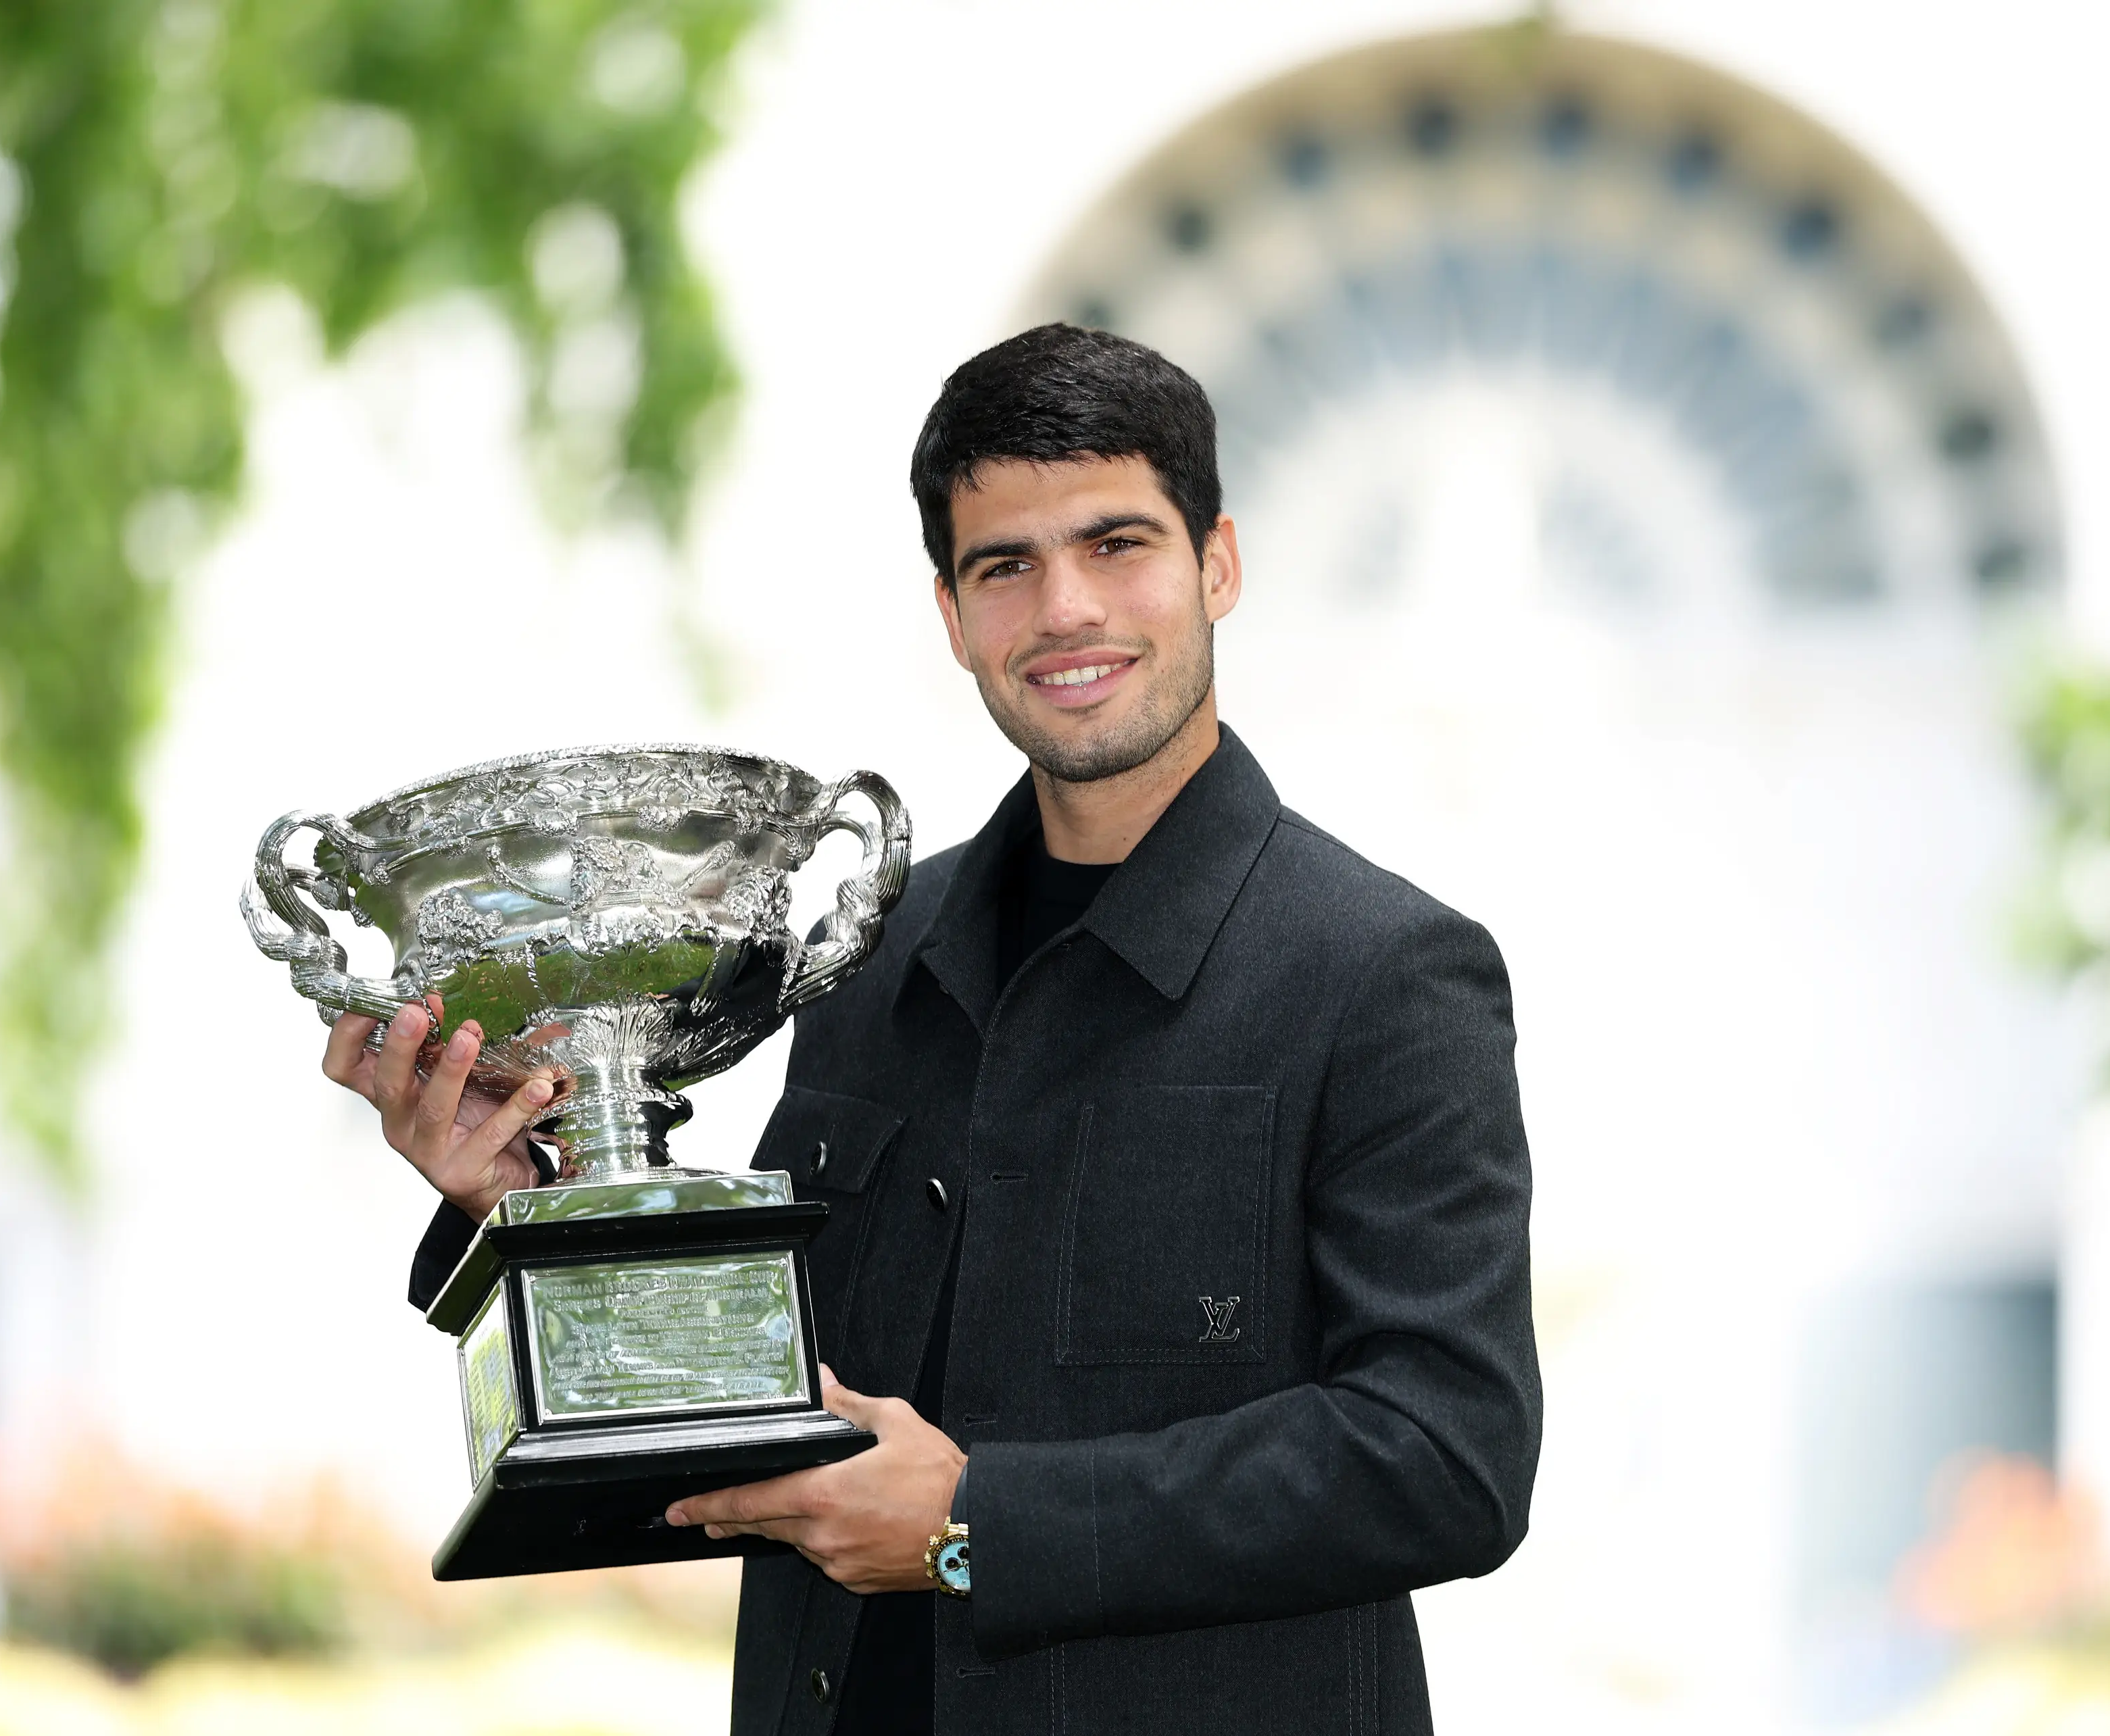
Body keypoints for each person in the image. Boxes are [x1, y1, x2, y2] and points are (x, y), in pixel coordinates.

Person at [324, 324, 1542, 1733]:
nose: (1067, 608)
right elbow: (759, 1388)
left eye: (1117, 543)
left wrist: (978, 1524)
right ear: (956, 616)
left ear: (1219, 564)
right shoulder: (875, 951)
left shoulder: (1383, 974)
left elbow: (1446, 1457)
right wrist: (527, 1206)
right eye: (1004, 566)